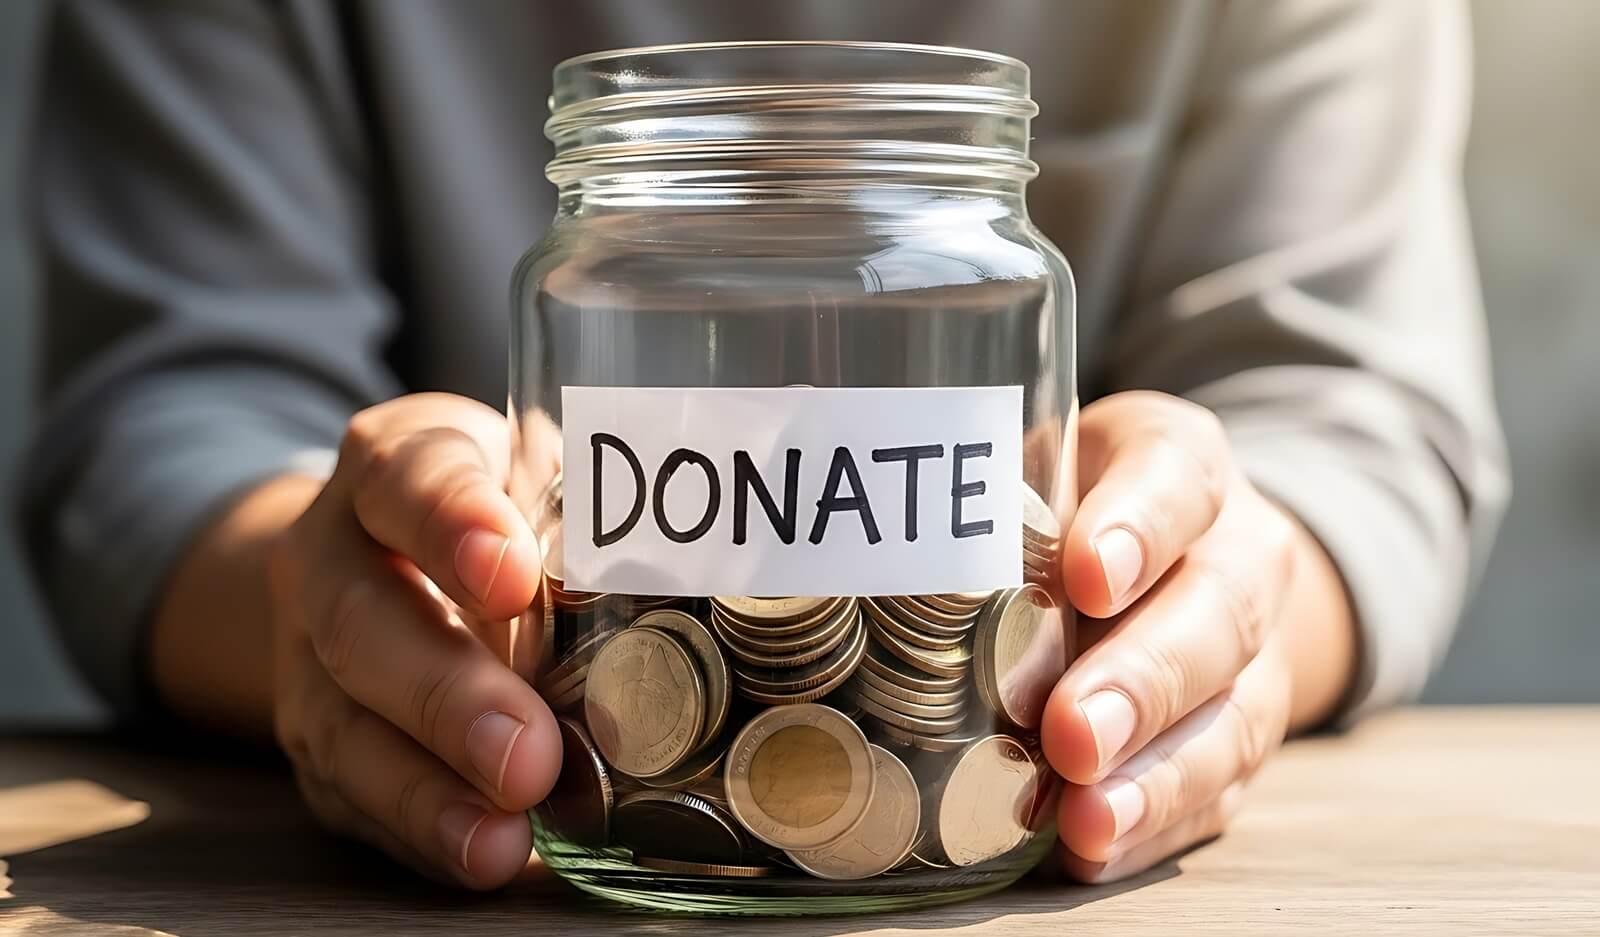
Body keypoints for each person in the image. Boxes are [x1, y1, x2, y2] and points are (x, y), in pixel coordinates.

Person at [19, 0, 1507, 891]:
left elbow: (1349, 413)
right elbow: (160, 416)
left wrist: (1236, 593)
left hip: (1018, 810)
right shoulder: (570, 252)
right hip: (542, 801)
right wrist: (325, 605)